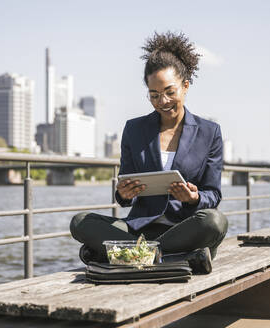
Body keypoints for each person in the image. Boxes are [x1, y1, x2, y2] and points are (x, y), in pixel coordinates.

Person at [70, 31, 228, 274]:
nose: (162, 101)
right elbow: (125, 191)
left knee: (215, 221)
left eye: (169, 92)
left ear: (185, 86)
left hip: (185, 229)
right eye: (154, 95)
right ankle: (179, 258)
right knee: (80, 222)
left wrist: (193, 198)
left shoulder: (210, 132)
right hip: (139, 228)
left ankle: (123, 254)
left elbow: (213, 194)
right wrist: (123, 193)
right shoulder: (134, 129)